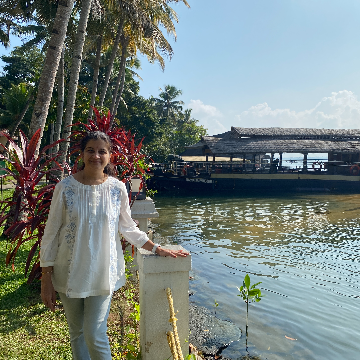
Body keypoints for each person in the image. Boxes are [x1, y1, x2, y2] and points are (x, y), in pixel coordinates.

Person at [40, 131, 188, 360]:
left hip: (102, 273)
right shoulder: (65, 187)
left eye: (102, 151)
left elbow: (128, 228)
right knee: (77, 333)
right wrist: (46, 276)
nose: (96, 156)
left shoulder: (117, 189)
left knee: (94, 334)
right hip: (68, 271)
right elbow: (51, 232)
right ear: (81, 153)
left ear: (110, 156)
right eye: (91, 150)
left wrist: (156, 248)